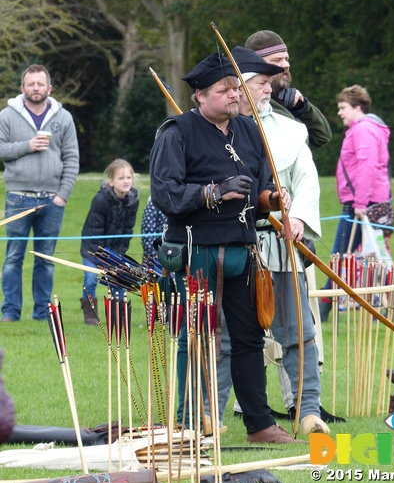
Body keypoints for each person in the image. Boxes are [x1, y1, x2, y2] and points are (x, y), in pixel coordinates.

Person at [149, 51, 299, 445]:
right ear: (200, 95)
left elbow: (261, 187)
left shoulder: (249, 131)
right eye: (224, 89)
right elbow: (165, 193)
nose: (234, 95)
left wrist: (272, 199)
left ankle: (260, 425)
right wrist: (213, 192)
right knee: (194, 337)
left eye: (236, 88)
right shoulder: (176, 132)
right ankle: (188, 424)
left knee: (250, 339)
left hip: (242, 252)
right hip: (195, 252)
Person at [216, 46, 330, 436]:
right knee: (226, 335)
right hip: (231, 248)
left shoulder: (290, 130)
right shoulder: (213, 130)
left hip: (280, 247)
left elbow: (307, 180)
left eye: (268, 83)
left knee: (297, 331)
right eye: (261, 83)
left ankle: (308, 409)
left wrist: (296, 216)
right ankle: (210, 414)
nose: (268, 90)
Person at [0, 64, 79, 322]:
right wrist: (28, 146)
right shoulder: (7, 117)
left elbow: (72, 159)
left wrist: (63, 194)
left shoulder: (63, 118)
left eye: (40, 84)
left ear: (49, 88)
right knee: (13, 257)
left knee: (45, 259)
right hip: (17, 196)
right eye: (31, 84)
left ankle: (42, 314)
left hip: (51, 200)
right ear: (22, 88)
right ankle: (10, 312)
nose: (36, 88)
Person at [319, 85, 392, 322]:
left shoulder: (363, 130)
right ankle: (383, 307)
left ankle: (324, 305)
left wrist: (360, 202)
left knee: (345, 255)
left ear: (357, 107)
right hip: (364, 201)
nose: (339, 113)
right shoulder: (363, 129)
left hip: (362, 204)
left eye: (342, 107)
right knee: (366, 254)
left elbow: (367, 166)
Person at [244, 30, 332, 149]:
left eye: (286, 59)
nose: (286, 65)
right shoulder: (248, 103)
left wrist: (302, 108)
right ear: (257, 64)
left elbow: (322, 137)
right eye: (277, 60)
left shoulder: (284, 99)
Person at [80, 159, 139, 324]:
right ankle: (90, 315)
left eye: (128, 177)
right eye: (121, 178)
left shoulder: (133, 201)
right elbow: (94, 233)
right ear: (111, 181)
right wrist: (102, 258)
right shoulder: (100, 200)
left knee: (119, 278)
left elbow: (128, 231)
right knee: (91, 279)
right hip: (92, 249)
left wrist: (117, 257)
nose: (126, 181)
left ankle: (117, 315)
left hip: (115, 251)